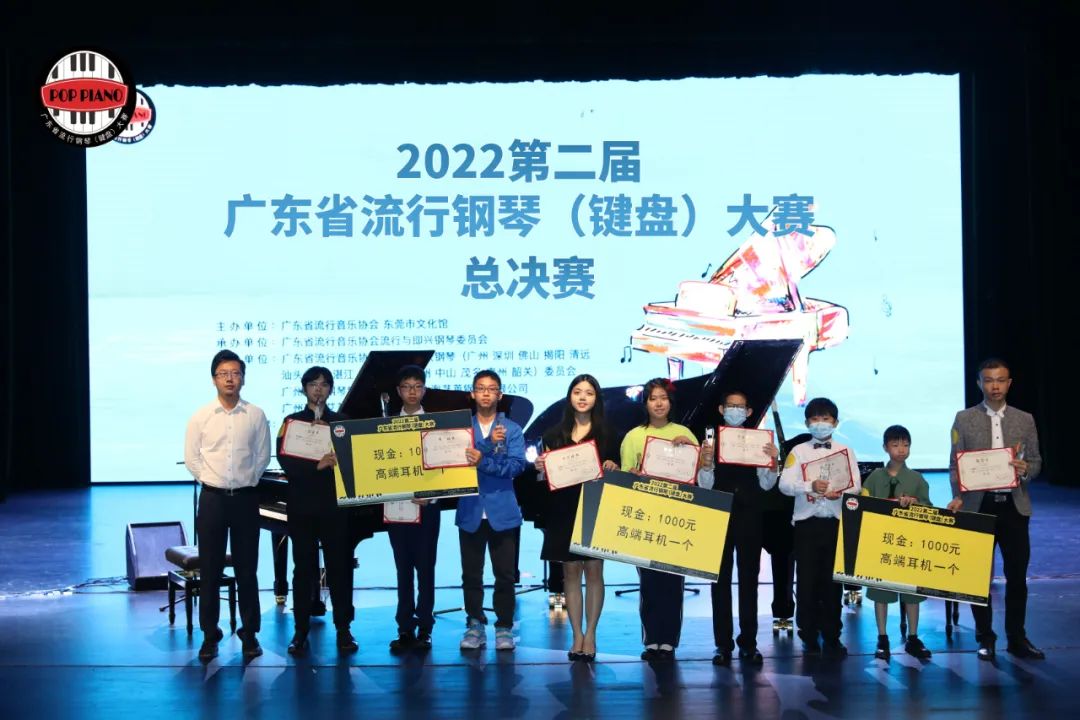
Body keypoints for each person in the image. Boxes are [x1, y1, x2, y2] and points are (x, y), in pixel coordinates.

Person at [946, 358, 1044, 660]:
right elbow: (956, 465)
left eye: (1000, 380)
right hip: (979, 506)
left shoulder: (1025, 419)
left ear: (1009, 383)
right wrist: (958, 495)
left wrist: (1026, 470)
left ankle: (1017, 637)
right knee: (976, 578)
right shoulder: (964, 419)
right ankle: (985, 637)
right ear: (979, 383)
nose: (995, 386)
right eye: (988, 380)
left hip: (1014, 506)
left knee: (1017, 577)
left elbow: (1036, 462)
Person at [184, 350, 271, 662]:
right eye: (223, 374)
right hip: (212, 499)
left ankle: (250, 633)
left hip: (246, 499)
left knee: (247, 569)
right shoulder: (201, 416)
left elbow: (262, 456)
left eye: (235, 373)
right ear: (214, 379)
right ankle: (210, 635)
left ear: (243, 378)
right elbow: (192, 459)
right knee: (210, 570)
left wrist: (246, 480)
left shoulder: (256, 415)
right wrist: (213, 480)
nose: (230, 379)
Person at [534, 374, 620, 661]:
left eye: (589, 393)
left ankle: (591, 633)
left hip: (596, 507)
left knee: (594, 571)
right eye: (577, 392)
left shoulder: (609, 434)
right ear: (569, 396)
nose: (583, 397)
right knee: (570, 572)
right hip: (562, 509)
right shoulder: (552, 435)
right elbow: (545, 480)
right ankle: (576, 635)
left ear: (597, 399)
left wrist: (613, 466)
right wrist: (540, 468)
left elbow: (619, 472)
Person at [275, 366, 357, 656]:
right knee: (303, 569)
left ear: (331, 389)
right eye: (313, 384)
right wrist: (316, 465)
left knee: (339, 567)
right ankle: (300, 630)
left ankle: (344, 629)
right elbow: (285, 460)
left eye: (324, 384)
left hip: (335, 507)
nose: (318, 389)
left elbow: (354, 462)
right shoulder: (291, 422)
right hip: (302, 506)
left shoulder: (343, 423)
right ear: (304, 389)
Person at [619, 377, 700, 663]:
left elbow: (697, 477)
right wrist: (633, 475)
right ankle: (651, 638)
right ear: (645, 403)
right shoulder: (633, 436)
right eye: (653, 398)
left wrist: (688, 451)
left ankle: (669, 641)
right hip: (646, 517)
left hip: (676, 516)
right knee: (649, 583)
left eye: (663, 398)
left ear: (670, 402)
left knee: (673, 583)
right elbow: (625, 476)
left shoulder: (684, 433)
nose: (658, 403)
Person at [697, 391, 779, 666]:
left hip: (749, 515)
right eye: (730, 406)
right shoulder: (710, 441)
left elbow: (766, 484)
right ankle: (722, 644)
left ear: (749, 411)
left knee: (749, 580)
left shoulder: (759, 441)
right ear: (721, 409)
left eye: (740, 406)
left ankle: (749, 643)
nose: (735, 410)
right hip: (719, 514)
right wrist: (705, 464)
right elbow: (705, 485)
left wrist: (773, 463)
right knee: (719, 580)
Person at [778, 397, 862, 658]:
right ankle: (808, 634)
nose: (820, 423)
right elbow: (784, 485)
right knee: (806, 582)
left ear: (835, 422)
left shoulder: (846, 451)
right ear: (807, 423)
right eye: (815, 419)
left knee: (832, 583)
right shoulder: (798, 452)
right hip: (807, 525)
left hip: (834, 523)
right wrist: (809, 486)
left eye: (826, 419)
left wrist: (840, 491)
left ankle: (832, 635)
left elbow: (856, 485)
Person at [457, 370, 527, 651]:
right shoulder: (461, 430)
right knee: (471, 575)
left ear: (500, 394)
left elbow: (516, 466)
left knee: (505, 576)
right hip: (470, 511)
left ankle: (504, 626)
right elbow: (455, 463)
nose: (486, 393)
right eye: (480, 388)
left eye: (492, 388)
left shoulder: (512, 429)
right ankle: (474, 624)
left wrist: (483, 460)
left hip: (503, 511)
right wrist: (486, 448)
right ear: (472, 394)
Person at [861, 425, 932, 660]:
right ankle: (882, 637)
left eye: (905, 445)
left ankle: (913, 637)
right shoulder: (874, 477)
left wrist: (915, 503)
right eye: (895, 445)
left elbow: (929, 509)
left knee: (912, 593)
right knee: (880, 592)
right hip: (882, 543)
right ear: (885, 448)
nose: (901, 449)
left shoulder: (917, 479)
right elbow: (863, 504)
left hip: (908, 543)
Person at [387, 365, 441, 653]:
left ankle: (425, 628)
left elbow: (445, 469)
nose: (412, 391)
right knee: (402, 570)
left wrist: (430, 496)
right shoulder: (384, 428)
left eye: (417, 386)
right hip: (396, 508)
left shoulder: (436, 425)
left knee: (426, 569)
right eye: (407, 386)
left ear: (424, 390)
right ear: (398, 391)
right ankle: (405, 627)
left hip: (426, 508)